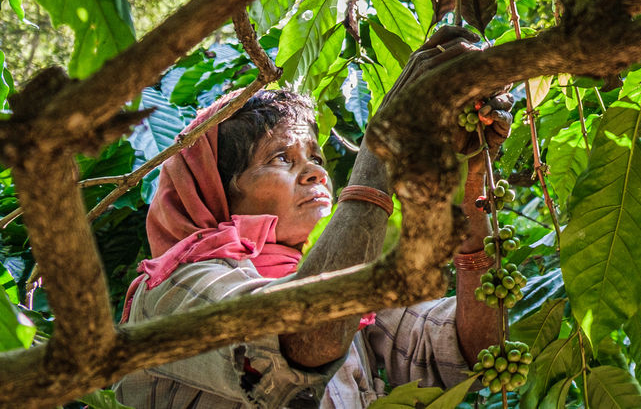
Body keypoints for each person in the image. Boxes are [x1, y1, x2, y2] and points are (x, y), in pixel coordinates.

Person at [115, 28, 511, 409]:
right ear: (216, 192)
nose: (316, 173)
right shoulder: (169, 293)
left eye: (316, 158)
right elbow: (299, 338)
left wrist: (470, 185)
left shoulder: (340, 276)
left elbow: (472, 353)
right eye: (281, 158)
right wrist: (382, 148)